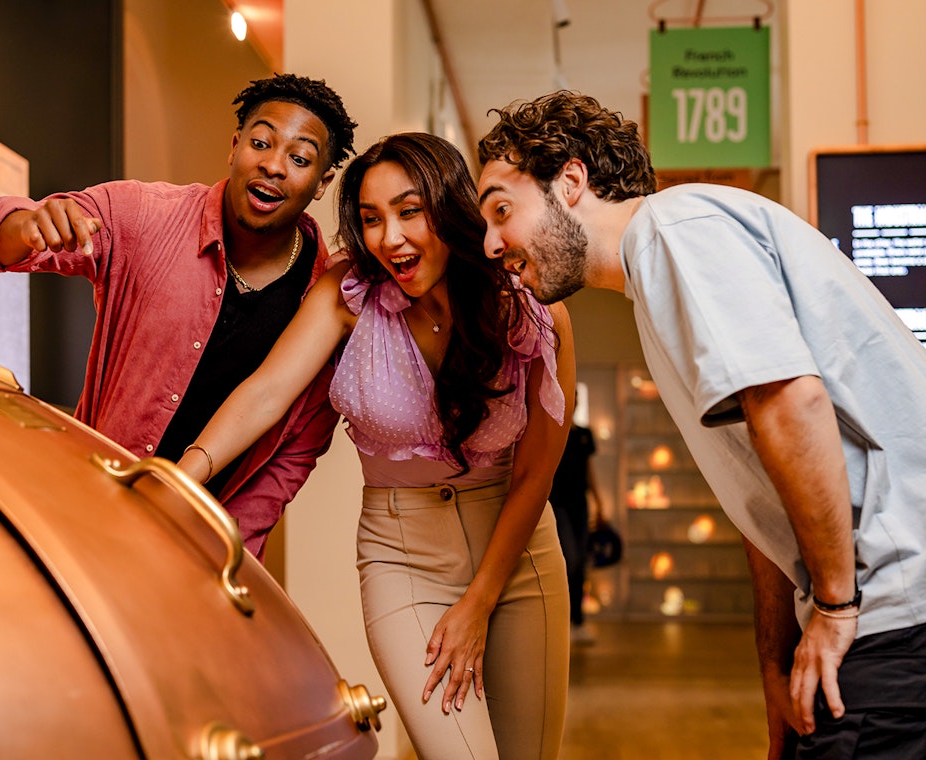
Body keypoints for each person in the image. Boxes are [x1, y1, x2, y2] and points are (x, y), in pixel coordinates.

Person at [476, 90, 926, 759]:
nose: (491, 244)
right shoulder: (662, 271)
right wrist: (774, 667)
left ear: (570, 182)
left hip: (894, 617)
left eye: (501, 210)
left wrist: (833, 609)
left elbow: (790, 403)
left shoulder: (673, 231)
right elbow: (768, 487)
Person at [179, 132, 575, 760]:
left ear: (450, 208)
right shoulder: (349, 296)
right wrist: (180, 479)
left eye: (409, 211)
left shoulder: (525, 309)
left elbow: (535, 474)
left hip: (518, 554)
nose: (389, 238)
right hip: (403, 558)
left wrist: (481, 601)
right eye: (370, 219)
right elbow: (266, 392)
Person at [0, 74, 357, 560]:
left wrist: (224, 557)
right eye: (261, 142)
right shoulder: (146, 216)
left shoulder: (330, 301)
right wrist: (29, 224)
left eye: (300, 158)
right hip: (87, 508)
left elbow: (289, 460)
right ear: (235, 146)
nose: (273, 165)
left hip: (196, 547)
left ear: (322, 183)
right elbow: (1, 234)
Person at [548, 400, 604, 645]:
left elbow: (589, 470)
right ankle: (562, 622)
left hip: (579, 504)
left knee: (580, 562)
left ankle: (578, 622)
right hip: (556, 503)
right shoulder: (552, 431)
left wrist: (600, 502)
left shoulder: (584, 435)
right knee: (568, 560)